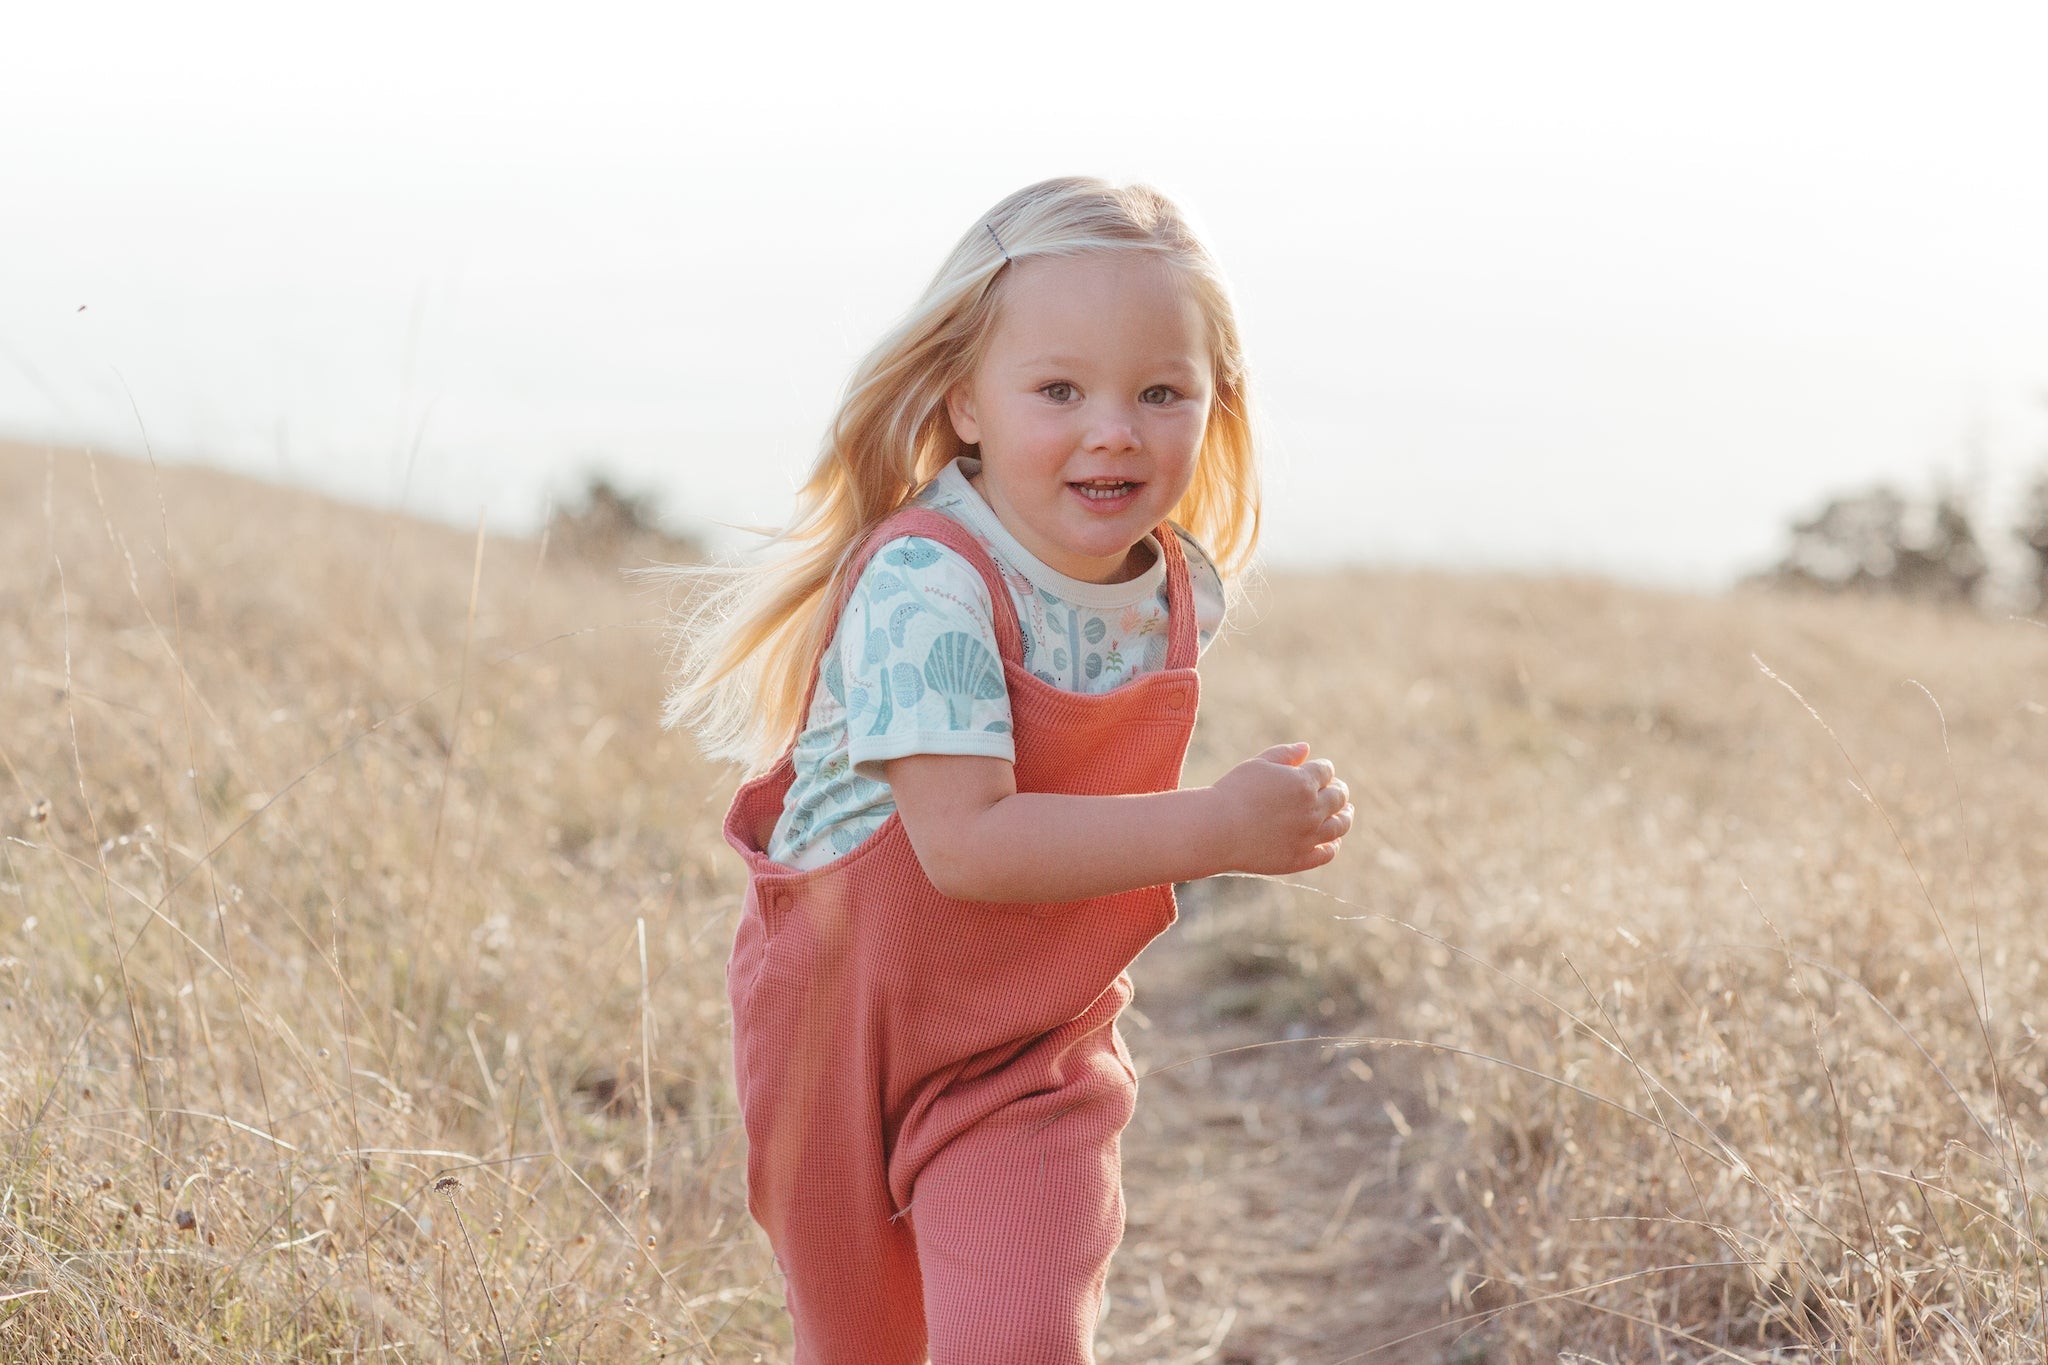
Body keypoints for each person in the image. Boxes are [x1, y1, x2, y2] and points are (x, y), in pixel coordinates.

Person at [663, 177, 1352, 1363]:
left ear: (1213, 403)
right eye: (1058, 390)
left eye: (1159, 391)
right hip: (842, 1041)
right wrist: (1223, 826)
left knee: (1018, 1340)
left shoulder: (1179, 591)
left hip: (1033, 1049)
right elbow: (968, 845)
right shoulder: (924, 584)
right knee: (864, 1347)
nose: (1113, 430)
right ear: (961, 402)